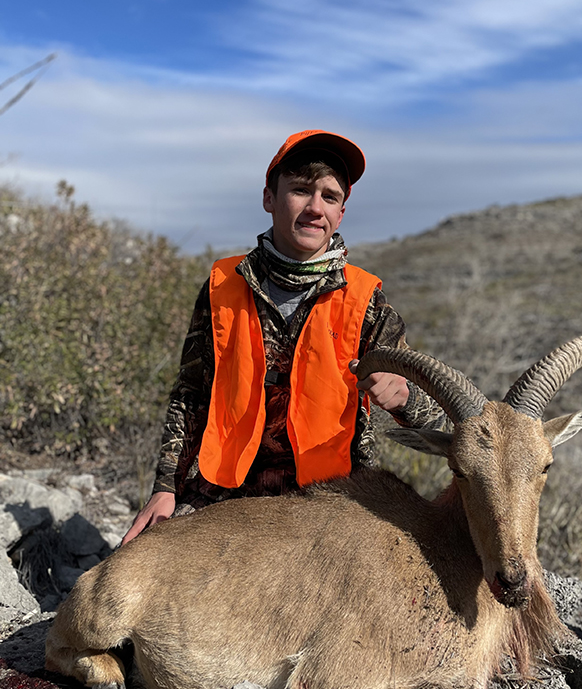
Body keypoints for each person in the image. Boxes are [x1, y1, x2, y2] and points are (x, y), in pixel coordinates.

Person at [122, 129, 445, 544]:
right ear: (269, 199)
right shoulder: (223, 284)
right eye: (301, 190)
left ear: (341, 213)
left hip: (328, 500)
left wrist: (403, 398)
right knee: (139, 569)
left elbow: (437, 416)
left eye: (330, 196)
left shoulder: (367, 301)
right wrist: (166, 489)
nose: (315, 208)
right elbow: (191, 394)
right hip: (222, 489)